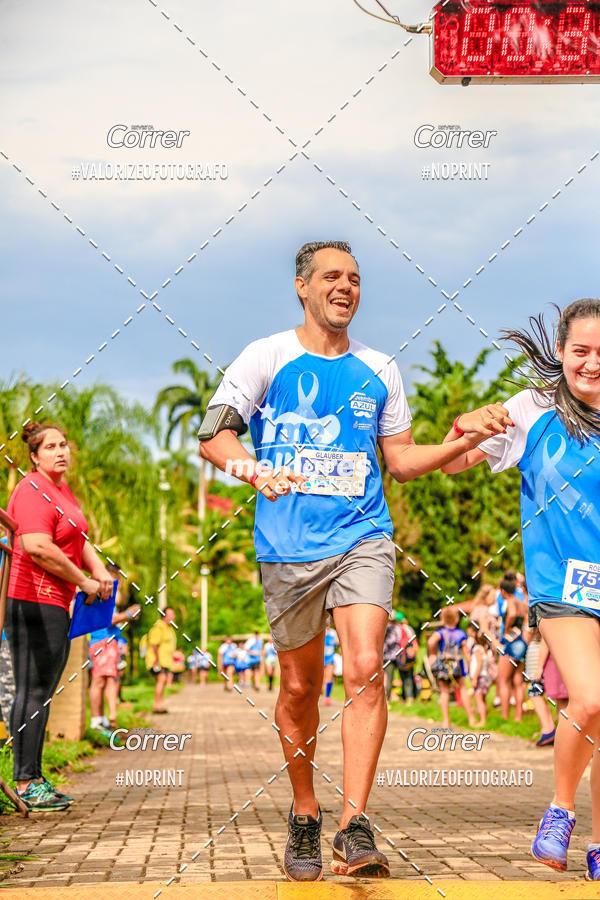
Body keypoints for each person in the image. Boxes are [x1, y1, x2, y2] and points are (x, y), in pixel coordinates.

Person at [197, 239, 510, 881]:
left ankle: (354, 824)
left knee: (367, 664)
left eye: (356, 278)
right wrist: (252, 470)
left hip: (363, 535)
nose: (346, 287)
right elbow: (213, 434)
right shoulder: (266, 356)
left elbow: (400, 462)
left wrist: (464, 440)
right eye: (333, 277)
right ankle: (306, 812)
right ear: (302, 287)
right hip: (287, 546)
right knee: (299, 687)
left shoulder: (381, 369)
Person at [441, 299, 600, 880]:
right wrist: (465, 426)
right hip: (564, 583)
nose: (591, 364)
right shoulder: (534, 408)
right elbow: (452, 466)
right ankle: (559, 811)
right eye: (580, 351)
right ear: (560, 352)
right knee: (590, 700)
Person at [4, 422, 113, 811]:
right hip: (30, 598)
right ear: (34, 457)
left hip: (55, 601)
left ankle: (34, 776)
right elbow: (36, 545)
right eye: (50, 447)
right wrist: (83, 580)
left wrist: (99, 572)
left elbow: (78, 539)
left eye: (64, 444)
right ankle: (25, 780)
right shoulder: (33, 489)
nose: (60, 451)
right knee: (32, 689)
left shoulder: (61, 490)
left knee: (43, 690)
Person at [88, 564, 139, 737]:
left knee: (110, 679)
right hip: (101, 641)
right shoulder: (99, 594)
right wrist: (129, 614)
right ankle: (97, 720)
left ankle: (106, 719)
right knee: (100, 680)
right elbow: (108, 620)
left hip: (109, 642)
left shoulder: (107, 596)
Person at [427, 606, 476, 729]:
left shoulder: (440, 633)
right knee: (462, 689)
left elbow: (430, 642)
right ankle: (471, 718)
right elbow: (466, 651)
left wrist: (432, 654)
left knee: (444, 691)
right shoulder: (461, 633)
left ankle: (446, 721)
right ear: (456, 619)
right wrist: (469, 662)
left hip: (444, 664)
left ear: (443, 619)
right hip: (457, 664)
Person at [495, 576, 528, 722]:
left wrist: (507, 628)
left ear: (502, 591)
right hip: (521, 640)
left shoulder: (510, 601)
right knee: (518, 680)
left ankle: (504, 715)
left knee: (503, 680)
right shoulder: (522, 602)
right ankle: (518, 716)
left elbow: (513, 613)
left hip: (510, 642)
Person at [145, 607, 176, 714]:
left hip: (166, 661)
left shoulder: (169, 628)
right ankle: (157, 706)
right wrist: (156, 659)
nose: (173, 616)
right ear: (164, 615)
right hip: (158, 661)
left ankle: (159, 705)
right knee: (161, 681)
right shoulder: (159, 627)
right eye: (171, 614)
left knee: (162, 682)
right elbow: (154, 644)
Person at [395, 612, 417, 702]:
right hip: (407, 655)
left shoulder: (397, 629)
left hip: (401, 655)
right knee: (408, 676)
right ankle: (409, 696)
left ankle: (408, 697)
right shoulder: (407, 628)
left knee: (405, 677)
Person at [323, 626, 338, 706]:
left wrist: (335, 642)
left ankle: (327, 697)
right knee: (322, 677)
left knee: (329, 676)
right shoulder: (319, 630)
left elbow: (338, 641)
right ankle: (320, 692)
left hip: (330, 656)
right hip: (320, 656)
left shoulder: (333, 632)